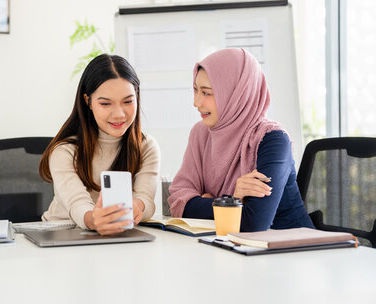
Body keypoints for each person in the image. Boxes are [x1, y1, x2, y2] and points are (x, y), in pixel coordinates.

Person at [167, 48, 313, 231]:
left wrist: (207, 202)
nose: (196, 102)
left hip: (294, 249)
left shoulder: (273, 140)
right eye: (195, 90)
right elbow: (178, 202)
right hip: (235, 248)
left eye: (207, 93)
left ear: (236, 93)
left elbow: (254, 222)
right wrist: (231, 201)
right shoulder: (201, 133)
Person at [40, 54, 160, 235]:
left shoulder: (147, 146)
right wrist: (94, 219)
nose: (119, 114)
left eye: (128, 101)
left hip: (119, 233)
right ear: (88, 101)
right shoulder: (65, 151)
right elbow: (78, 204)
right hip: (63, 233)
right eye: (105, 104)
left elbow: (146, 199)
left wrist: (137, 206)